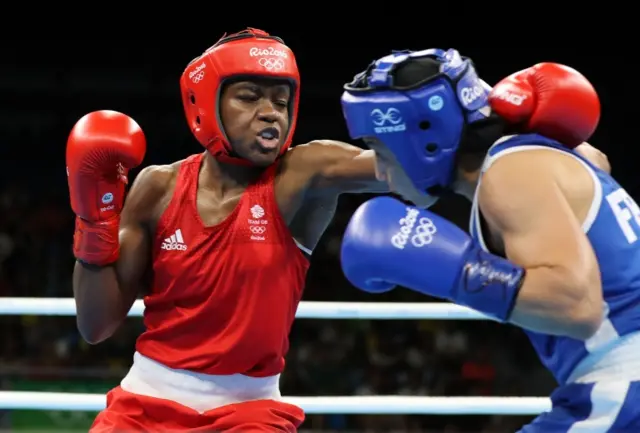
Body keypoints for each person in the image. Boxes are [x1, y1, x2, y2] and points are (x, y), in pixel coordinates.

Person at [66, 28, 388, 432]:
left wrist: (451, 124)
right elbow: (95, 326)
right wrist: (93, 222)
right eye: (249, 96)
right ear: (207, 103)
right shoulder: (158, 188)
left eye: (281, 101)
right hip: (143, 406)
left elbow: (395, 170)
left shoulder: (301, 174)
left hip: (249, 414)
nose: (271, 111)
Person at [339, 48, 640, 431]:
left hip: (625, 386)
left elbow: (576, 307)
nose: (379, 171)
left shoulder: (510, 171)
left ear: (424, 143)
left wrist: (456, 267)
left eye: (380, 150)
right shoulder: (538, 157)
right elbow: (596, 162)